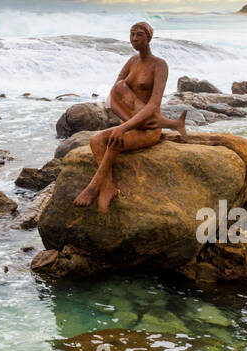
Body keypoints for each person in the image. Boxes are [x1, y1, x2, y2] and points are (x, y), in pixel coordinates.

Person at [73, 21, 187, 213]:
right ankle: (108, 186)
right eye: (132, 34)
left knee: (114, 141)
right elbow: (112, 95)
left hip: (150, 127)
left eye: (139, 34)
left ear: (148, 37)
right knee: (95, 140)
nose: (134, 39)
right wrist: (126, 123)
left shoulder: (159, 65)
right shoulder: (132, 62)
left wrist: (125, 128)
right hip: (133, 123)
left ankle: (93, 187)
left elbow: (153, 105)